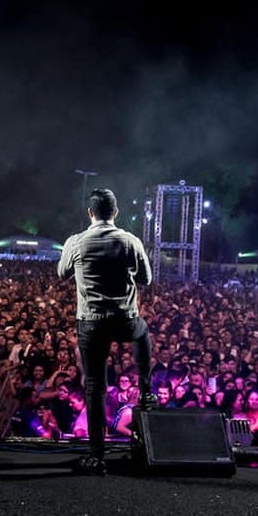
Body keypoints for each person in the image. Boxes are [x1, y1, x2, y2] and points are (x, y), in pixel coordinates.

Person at [58, 188, 154, 475]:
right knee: (141, 333)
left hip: (91, 320)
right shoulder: (129, 240)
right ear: (116, 212)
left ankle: (97, 454)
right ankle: (146, 390)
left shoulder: (76, 242)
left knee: (95, 387)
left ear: (90, 213)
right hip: (124, 317)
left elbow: (62, 273)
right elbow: (146, 279)